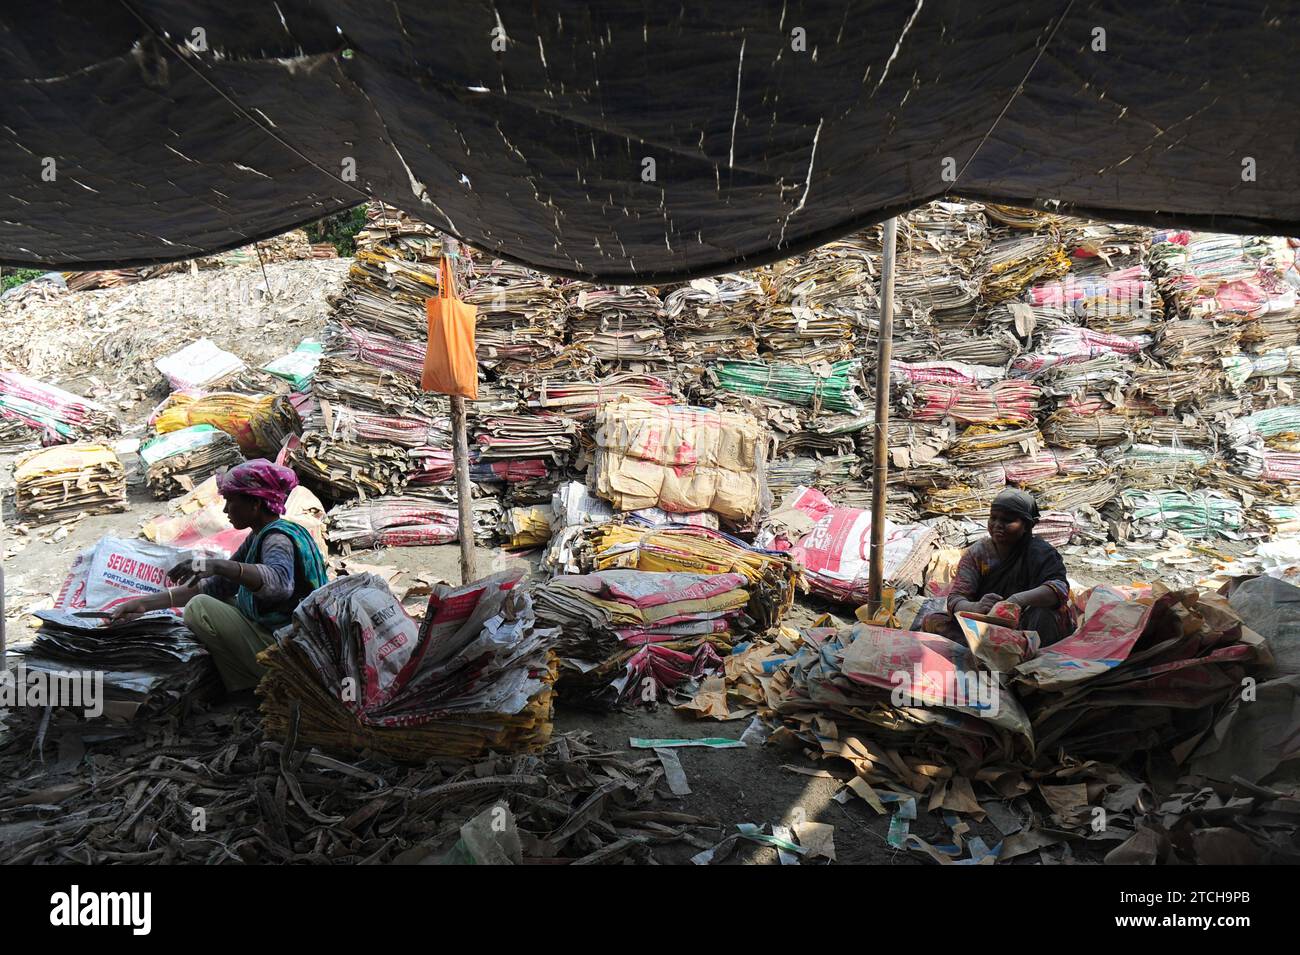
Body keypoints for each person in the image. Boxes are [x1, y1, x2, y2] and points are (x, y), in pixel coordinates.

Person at [108, 459, 328, 692]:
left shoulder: (277, 539)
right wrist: (144, 603)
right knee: (221, 598)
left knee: (199, 608)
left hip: (292, 648)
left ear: (255, 504)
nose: (225, 510)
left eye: (231, 502)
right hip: (289, 635)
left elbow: (279, 584)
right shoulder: (260, 535)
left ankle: (256, 683)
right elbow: (217, 586)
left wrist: (219, 565)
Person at [920, 488, 1075, 646]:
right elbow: (956, 599)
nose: (997, 525)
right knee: (934, 621)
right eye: (993, 518)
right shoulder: (978, 554)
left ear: (1028, 525)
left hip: (1028, 623)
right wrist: (977, 607)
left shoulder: (1041, 552)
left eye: (1007, 521)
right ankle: (998, 649)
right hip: (991, 623)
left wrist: (1016, 601)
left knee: (1046, 615)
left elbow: (1059, 589)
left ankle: (1014, 651)